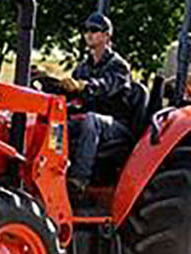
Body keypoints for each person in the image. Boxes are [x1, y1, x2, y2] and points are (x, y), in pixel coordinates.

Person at [34, 13, 141, 197]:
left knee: (91, 121)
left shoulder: (119, 66)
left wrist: (84, 85)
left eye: (94, 30)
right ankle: (50, 173)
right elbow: (73, 95)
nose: (88, 34)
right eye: (85, 30)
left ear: (107, 36)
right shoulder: (83, 67)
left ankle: (78, 181)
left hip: (117, 126)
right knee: (57, 125)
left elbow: (107, 87)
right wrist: (51, 81)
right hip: (89, 123)